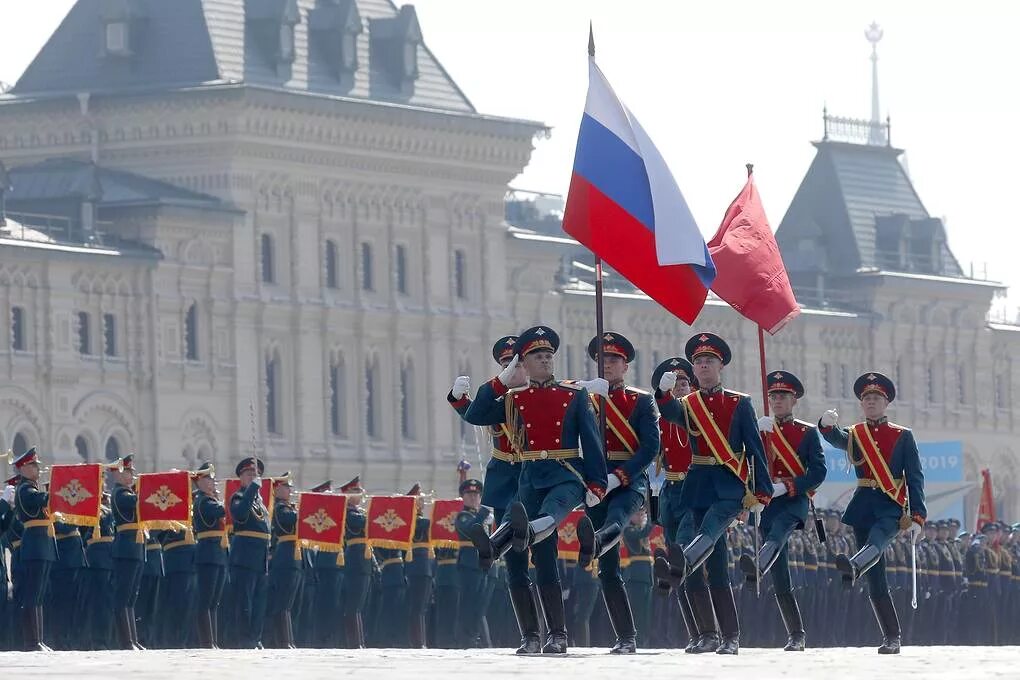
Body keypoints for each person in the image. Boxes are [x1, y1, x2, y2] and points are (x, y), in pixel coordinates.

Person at [464, 325, 607, 655]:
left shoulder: (573, 395)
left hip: (562, 472)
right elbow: (475, 414)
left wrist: (597, 483)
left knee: (544, 557)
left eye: (547, 355)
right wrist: (500, 380)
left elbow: (592, 440)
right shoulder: (514, 399)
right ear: (523, 364)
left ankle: (557, 634)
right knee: (516, 564)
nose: (544, 360)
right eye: (536, 356)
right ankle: (530, 635)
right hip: (528, 477)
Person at [655, 333, 772, 655]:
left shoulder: (739, 402)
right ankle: (714, 634)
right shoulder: (687, 404)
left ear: (720, 366)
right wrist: (662, 394)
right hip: (699, 484)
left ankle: (684, 562)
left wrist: (761, 491)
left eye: (709, 361)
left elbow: (755, 450)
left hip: (730, 484)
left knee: (704, 535)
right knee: (716, 564)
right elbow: (669, 415)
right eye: (699, 362)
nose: (704, 366)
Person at [819, 371, 926, 654]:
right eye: (866, 397)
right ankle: (891, 637)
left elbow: (914, 477)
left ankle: (853, 566)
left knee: (877, 542)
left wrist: (917, 516)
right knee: (876, 578)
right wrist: (826, 427)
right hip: (864, 504)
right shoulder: (856, 433)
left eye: (875, 397)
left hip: (891, 506)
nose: (870, 401)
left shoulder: (902, 436)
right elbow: (838, 439)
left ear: (885, 402)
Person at [576, 331, 659, 654]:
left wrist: (619, 476)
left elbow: (651, 446)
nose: (607, 364)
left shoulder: (641, 401)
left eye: (614, 359)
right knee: (609, 569)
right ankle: (626, 637)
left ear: (625, 366)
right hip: (597, 483)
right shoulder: (584, 397)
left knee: (616, 519)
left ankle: (596, 540)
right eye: (602, 359)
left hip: (630, 481)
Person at [741, 370, 826, 651]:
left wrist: (789, 486)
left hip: (794, 501)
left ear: (794, 400)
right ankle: (796, 633)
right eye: (774, 396)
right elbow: (749, 465)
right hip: (768, 503)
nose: (777, 400)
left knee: (778, 534)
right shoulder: (761, 428)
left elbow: (818, 472)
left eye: (783, 396)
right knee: (781, 576)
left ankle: (758, 564)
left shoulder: (807, 432)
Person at [649, 356, 702, 652]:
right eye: (674, 383)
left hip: (695, 489)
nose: (680, 387)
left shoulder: (700, 416)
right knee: (679, 570)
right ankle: (694, 633)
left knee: (681, 555)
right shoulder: (660, 421)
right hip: (670, 491)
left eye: (684, 382)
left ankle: (705, 631)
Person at [12, 448, 56, 651]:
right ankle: (32, 641)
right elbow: (42, 499)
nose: (37, 469)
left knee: (39, 594)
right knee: (33, 593)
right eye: (33, 466)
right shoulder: (25, 489)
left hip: (43, 545)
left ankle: (38, 639)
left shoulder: (33, 487)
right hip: (34, 546)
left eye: (37, 465)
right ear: (23, 468)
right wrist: (58, 488)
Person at [229, 456, 271, 649]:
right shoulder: (238, 497)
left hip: (260, 559)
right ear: (241, 477)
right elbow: (240, 514)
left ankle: (256, 636)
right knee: (244, 602)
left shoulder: (260, 503)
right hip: (244, 557)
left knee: (259, 601)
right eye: (249, 474)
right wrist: (253, 488)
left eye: (256, 475)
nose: (254, 477)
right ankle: (245, 638)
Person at [111, 454, 146, 650]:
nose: (132, 475)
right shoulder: (120, 494)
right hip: (126, 548)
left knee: (131, 597)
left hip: (135, 547)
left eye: (132, 472)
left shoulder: (129, 492)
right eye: (128, 472)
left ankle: (132, 639)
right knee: (123, 596)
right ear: (117, 474)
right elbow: (137, 503)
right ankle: (126, 641)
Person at [192, 461, 227, 648]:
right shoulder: (202, 501)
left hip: (218, 552)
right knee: (206, 598)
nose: (212, 482)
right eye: (208, 479)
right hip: (207, 551)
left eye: (213, 479)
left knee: (214, 600)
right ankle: (206, 640)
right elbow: (221, 511)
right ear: (199, 481)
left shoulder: (211, 499)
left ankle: (213, 640)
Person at [455, 476, 491, 647]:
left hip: (482, 565)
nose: (473, 497)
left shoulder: (481, 517)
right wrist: (483, 514)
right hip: (469, 565)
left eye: (476, 495)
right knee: (468, 603)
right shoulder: (463, 516)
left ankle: (475, 636)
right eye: (469, 495)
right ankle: (465, 638)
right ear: (463, 497)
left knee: (479, 604)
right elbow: (471, 531)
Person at [267, 471, 302, 649]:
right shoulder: (280, 508)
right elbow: (291, 519)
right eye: (287, 487)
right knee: (282, 602)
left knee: (288, 602)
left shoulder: (289, 507)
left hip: (293, 556)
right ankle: (281, 640)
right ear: (278, 489)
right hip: (284, 556)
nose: (290, 490)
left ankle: (288, 640)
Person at [340, 476, 372, 648]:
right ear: (346, 494)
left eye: (360, 490)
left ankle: (359, 641)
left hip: (364, 560)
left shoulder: (360, 512)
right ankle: (353, 642)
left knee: (360, 604)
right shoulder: (348, 512)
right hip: (355, 557)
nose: (360, 493)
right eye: (355, 491)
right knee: (353, 604)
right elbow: (361, 523)